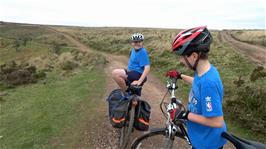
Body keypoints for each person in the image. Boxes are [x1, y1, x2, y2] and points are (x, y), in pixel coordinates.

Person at [171, 26, 227, 149]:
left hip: (207, 143)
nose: (181, 60)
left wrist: (185, 115)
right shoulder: (204, 72)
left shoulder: (209, 83)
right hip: (201, 136)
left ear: (194, 56)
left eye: (182, 56)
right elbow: (197, 83)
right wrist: (180, 76)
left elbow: (216, 121)